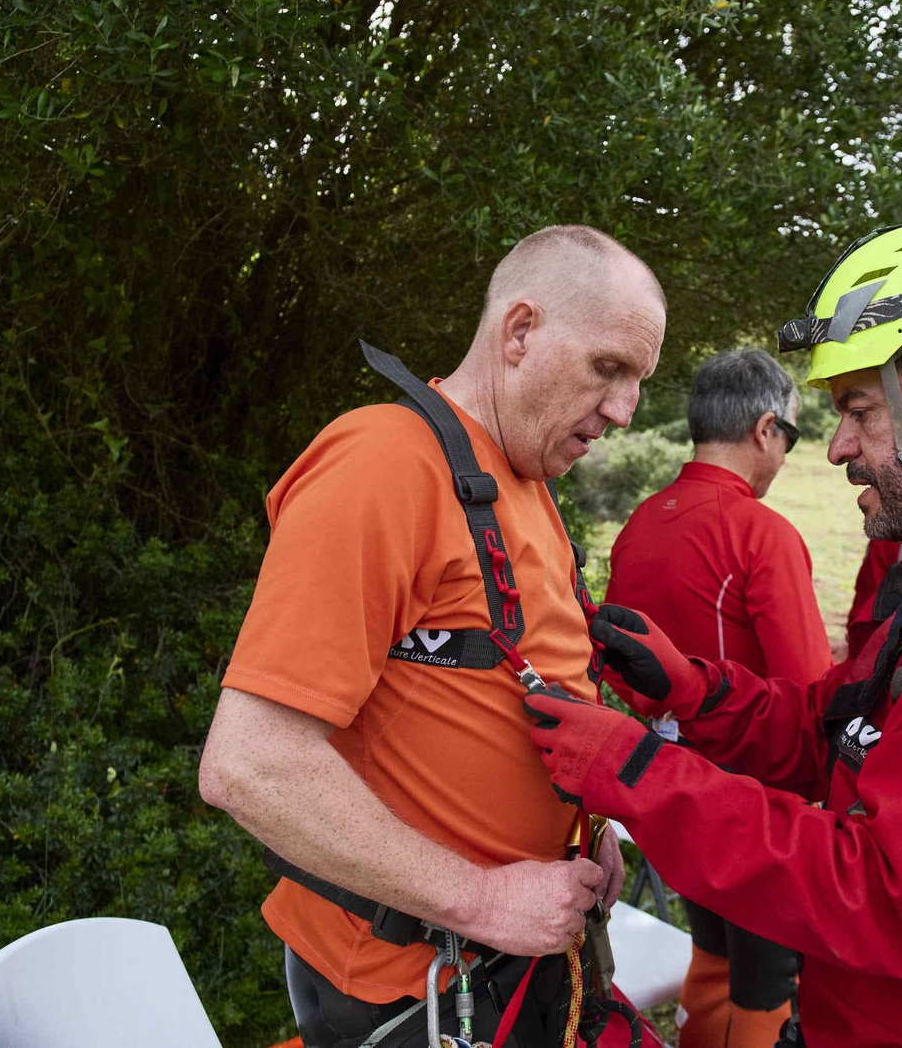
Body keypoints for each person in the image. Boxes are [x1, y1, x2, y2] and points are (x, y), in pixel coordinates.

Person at [520, 215, 902, 1048]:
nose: (837, 448)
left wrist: (633, 767)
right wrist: (693, 687)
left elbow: (889, 895)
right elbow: (837, 727)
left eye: (860, 410)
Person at [197, 225, 666, 1048]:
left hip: (528, 972)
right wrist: (484, 900)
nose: (626, 410)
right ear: (520, 332)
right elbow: (251, 762)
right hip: (419, 995)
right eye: (608, 368)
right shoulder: (385, 463)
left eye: (639, 381)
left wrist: (592, 828)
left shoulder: (521, 480)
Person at [604, 348, 831, 1048]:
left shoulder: (643, 521)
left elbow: (617, 660)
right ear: (766, 430)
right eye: (791, 438)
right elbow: (810, 697)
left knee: (711, 951)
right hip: (755, 800)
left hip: (667, 788)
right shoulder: (762, 533)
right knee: (767, 979)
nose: (787, 455)